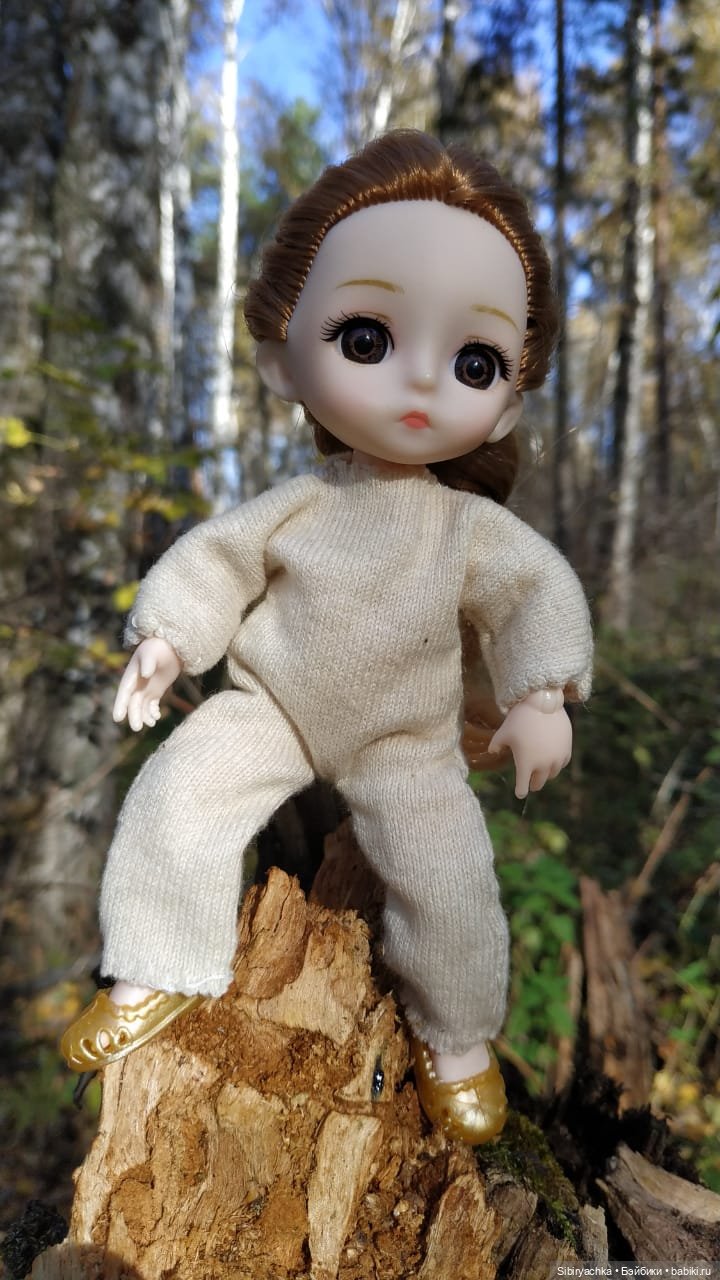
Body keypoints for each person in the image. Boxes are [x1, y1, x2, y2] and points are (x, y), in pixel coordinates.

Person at [61, 130, 592, 1144]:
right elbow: (217, 561)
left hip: (407, 741)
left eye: (472, 360)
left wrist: (540, 694)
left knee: (451, 884)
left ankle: (457, 1035)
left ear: (507, 401)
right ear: (281, 355)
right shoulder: (299, 503)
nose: (422, 381)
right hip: (275, 709)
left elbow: (535, 592)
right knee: (178, 794)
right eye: (366, 339)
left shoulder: (466, 529)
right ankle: (153, 965)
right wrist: (167, 639)